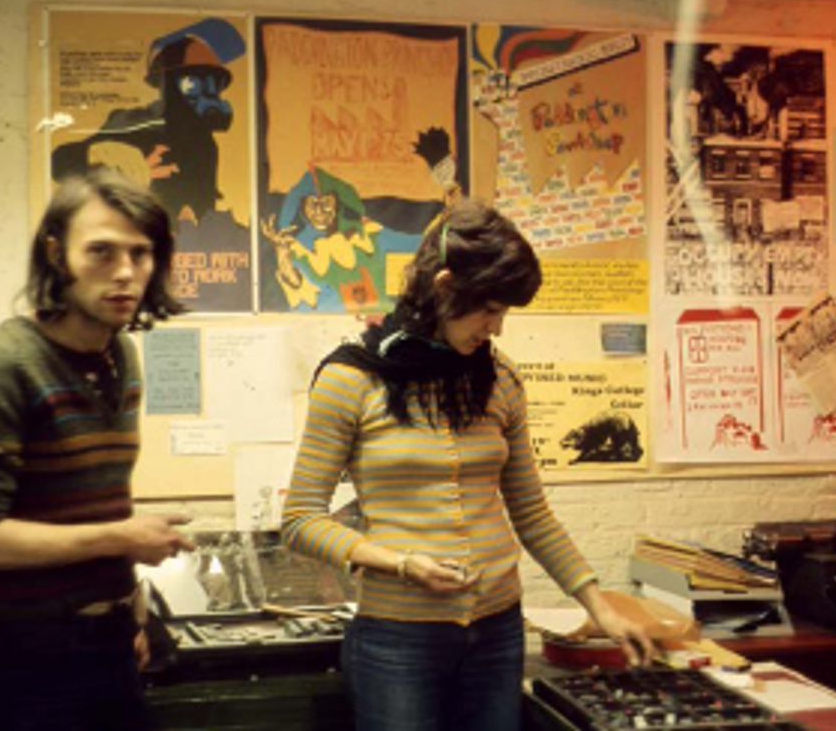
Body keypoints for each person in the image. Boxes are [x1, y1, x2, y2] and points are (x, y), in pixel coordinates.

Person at [281, 199, 655, 731]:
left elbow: (533, 514)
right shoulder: (352, 379)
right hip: (398, 639)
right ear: (445, 287)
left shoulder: (499, 380)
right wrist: (401, 564)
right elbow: (301, 519)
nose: (496, 328)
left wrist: (599, 608)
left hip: (497, 633)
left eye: (504, 314)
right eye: (490, 310)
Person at [0, 167, 196, 731]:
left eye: (140, 253)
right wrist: (123, 537)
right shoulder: (7, 365)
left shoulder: (119, 355)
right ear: (56, 255)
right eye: (101, 251)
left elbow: (97, 497)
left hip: (111, 644)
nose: (125, 272)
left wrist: (132, 609)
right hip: (30, 661)